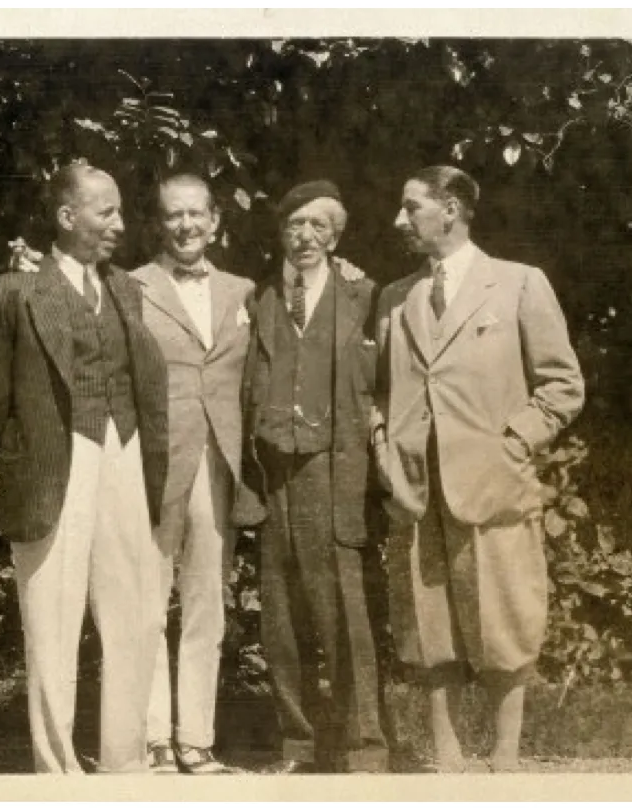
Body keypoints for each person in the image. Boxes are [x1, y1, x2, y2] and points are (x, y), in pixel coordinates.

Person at [372, 165, 584, 772]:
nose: (399, 221)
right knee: (426, 618)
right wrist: (385, 448)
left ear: (452, 209)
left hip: (492, 483)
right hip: (417, 487)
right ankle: (446, 751)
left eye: (411, 207)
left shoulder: (518, 284)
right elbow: (380, 395)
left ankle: (506, 753)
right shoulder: (396, 297)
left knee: (505, 614)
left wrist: (516, 441)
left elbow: (563, 386)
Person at [0, 162, 169, 773]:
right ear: (66, 217)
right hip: (56, 462)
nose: (119, 224)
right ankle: (57, 772)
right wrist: (31, 446)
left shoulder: (127, 289)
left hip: (124, 453)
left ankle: (123, 764)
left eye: (119, 211)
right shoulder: (13, 292)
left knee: (133, 607)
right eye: (106, 211)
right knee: (52, 617)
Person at [235, 180, 388, 774]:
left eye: (318, 226)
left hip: (336, 468)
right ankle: (297, 745)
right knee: (281, 615)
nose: (305, 237)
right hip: (275, 470)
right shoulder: (260, 299)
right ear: (280, 235)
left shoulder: (365, 296)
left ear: (337, 236)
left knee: (345, 612)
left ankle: (364, 747)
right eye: (294, 226)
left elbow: (387, 383)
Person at [130, 174, 254, 775]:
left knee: (208, 599)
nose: (185, 226)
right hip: (151, 463)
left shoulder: (245, 291)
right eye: (173, 215)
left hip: (218, 463)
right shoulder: (130, 288)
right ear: (159, 223)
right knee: (149, 602)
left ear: (215, 220)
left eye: (195, 214)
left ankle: (195, 738)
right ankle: (152, 736)